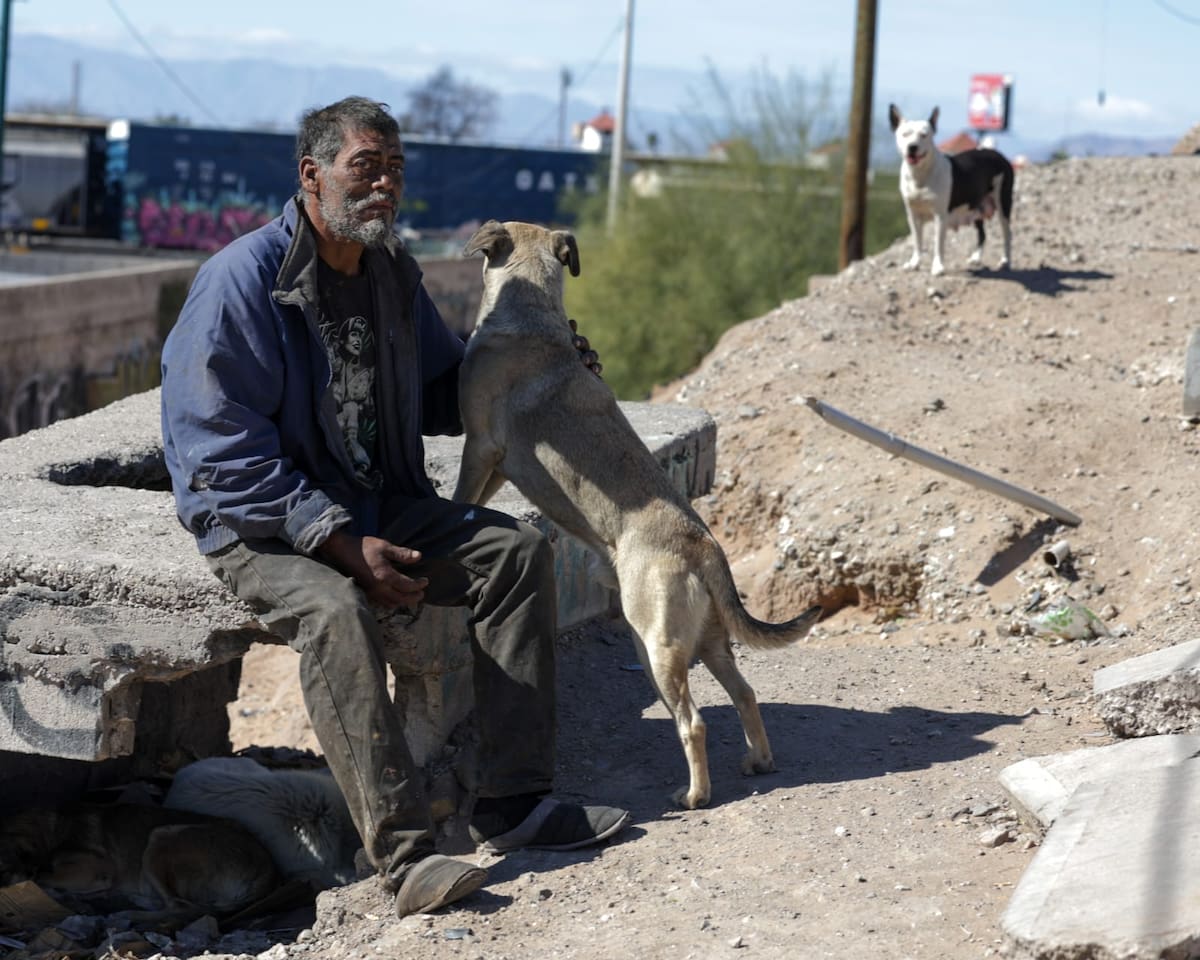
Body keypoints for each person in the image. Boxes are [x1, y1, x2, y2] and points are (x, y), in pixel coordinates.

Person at [159, 95, 628, 918]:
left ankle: (514, 804)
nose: (384, 187)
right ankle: (405, 860)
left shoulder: (390, 274)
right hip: (261, 524)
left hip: (378, 500)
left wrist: (532, 364)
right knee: (337, 611)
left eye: (395, 171)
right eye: (364, 168)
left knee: (516, 554)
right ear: (313, 176)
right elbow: (217, 454)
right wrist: (340, 544)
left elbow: (445, 393)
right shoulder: (240, 283)